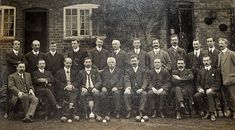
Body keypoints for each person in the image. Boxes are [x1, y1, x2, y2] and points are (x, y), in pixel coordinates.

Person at [194, 56, 220, 121]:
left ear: (210, 61)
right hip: (203, 90)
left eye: (207, 60)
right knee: (196, 96)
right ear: (203, 62)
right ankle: (206, 111)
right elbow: (197, 83)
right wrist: (199, 89)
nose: (206, 62)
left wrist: (211, 89)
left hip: (213, 91)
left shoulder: (215, 70)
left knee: (209, 94)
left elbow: (218, 82)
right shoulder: (200, 71)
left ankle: (212, 113)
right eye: (204, 61)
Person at [5, 40, 26, 118]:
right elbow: (9, 60)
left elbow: (25, 62)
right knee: (9, 94)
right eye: (15, 44)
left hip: (19, 76)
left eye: (18, 44)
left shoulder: (21, 54)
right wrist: (18, 62)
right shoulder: (9, 54)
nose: (17, 45)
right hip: (11, 76)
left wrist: (18, 63)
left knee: (18, 93)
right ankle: (7, 112)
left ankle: (15, 111)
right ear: (13, 45)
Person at [55, 58, 79, 122]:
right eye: (67, 63)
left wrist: (72, 85)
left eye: (70, 63)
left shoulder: (74, 72)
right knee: (68, 94)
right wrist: (65, 86)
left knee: (75, 91)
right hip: (63, 89)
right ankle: (72, 113)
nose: (68, 64)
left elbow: (77, 81)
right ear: (64, 63)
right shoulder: (59, 72)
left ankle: (66, 114)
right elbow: (58, 82)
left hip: (72, 88)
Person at [218, 38, 235, 119]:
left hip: (231, 79)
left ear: (226, 44)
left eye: (222, 43)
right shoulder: (219, 55)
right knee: (227, 97)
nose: (220, 45)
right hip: (223, 80)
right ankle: (231, 111)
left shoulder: (231, 54)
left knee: (233, 96)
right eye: (219, 43)